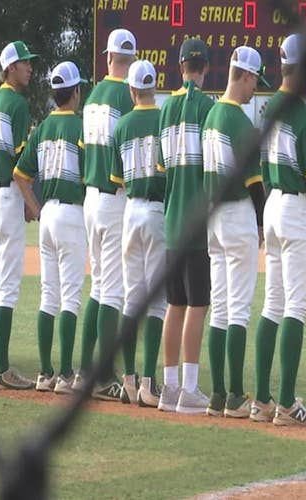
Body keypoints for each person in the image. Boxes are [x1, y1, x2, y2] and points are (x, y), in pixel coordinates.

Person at [253, 34, 306, 426]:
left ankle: (261, 400)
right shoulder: (303, 116)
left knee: (272, 305)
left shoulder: (269, 109)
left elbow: (263, 167)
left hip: (272, 204)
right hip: (295, 206)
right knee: (294, 307)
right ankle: (285, 404)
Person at [13, 61, 88, 393]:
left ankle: (45, 374)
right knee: (70, 298)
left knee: (49, 296)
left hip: (49, 216)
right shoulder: (81, 127)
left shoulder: (41, 128)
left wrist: (36, 208)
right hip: (72, 214)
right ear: (76, 92)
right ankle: (67, 375)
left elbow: (20, 175)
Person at [202, 46, 268, 418]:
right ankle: (237, 396)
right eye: (255, 80)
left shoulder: (211, 115)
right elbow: (255, 183)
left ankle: (217, 395)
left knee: (220, 309)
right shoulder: (240, 123)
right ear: (244, 75)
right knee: (238, 310)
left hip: (214, 217)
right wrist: (260, 223)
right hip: (238, 214)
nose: (256, 88)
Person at [155, 39, 215, 412]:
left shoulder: (165, 109)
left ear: (180, 67)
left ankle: (169, 386)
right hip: (198, 222)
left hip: (172, 219)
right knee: (198, 304)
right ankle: (190, 388)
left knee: (174, 305)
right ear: (205, 67)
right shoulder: (208, 107)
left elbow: (162, 166)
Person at [78, 29, 136, 400]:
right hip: (116, 197)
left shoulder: (93, 95)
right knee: (112, 289)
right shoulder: (126, 96)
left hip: (90, 196)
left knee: (99, 286)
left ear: (108, 56)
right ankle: (103, 375)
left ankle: (85, 368)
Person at [108, 60, 166, 407]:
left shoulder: (121, 125)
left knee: (131, 298)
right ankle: (148, 382)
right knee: (156, 299)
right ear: (153, 87)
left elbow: (116, 180)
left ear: (131, 90)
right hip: (158, 209)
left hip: (131, 209)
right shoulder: (164, 118)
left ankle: (128, 379)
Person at [0, 40, 38, 390]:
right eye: (25, 63)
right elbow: (21, 164)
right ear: (10, 68)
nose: (30, 68)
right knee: (8, 286)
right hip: (7, 195)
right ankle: (2, 368)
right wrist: (29, 201)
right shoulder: (16, 103)